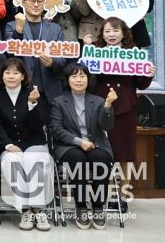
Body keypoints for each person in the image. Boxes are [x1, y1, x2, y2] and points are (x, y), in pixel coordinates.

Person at [50, 63, 117, 230]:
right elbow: (56, 130)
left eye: (82, 76)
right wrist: (80, 142)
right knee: (77, 158)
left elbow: (107, 126)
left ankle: (98, 207)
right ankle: (81, 207)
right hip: (69, 146)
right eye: (74, 76)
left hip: (97, 144)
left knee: (101, 159)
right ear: (67, 80)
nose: (78, 80)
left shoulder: (99, 101)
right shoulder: (58, 102)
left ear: (88, 79)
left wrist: (108, 105)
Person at [0, 58, 52, 231]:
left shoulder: (34, 93)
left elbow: (38, 125)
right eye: (7, 72)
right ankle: (25, 210)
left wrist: (32, 104)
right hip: (10, 145)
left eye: (16, 73)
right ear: (2, 75)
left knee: (34, 159)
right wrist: (7, 145)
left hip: (34, 142)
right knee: (12, 162)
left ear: (23, 76)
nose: (11, 76)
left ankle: (39, 209)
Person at [92, 18, 154, 168]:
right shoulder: (94, 51)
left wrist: (148, 75)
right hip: (100, 105)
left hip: (125, 106)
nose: (111, 35)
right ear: (102, 34)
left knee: (125, 152)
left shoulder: (133, 52)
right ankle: (105, 183)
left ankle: (125, 184)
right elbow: (88, 80)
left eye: (115, 30)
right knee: (102, 151)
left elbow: (141, 84)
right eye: (107, 31)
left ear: (124, 33)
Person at [4, 0, 67, 114]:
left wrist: (52, 63)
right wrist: (19, 30)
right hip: (23, 89)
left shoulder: (55, 29)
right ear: (23, 3)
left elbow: (63, 60)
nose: (36, 4)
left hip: (50, 91)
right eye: (32, 0)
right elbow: (10, 55)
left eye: (40, 1)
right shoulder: (12, 26)